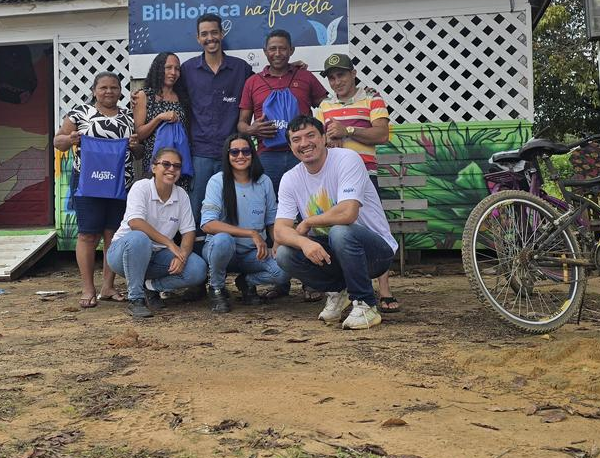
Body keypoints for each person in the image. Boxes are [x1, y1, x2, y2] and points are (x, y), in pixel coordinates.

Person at [273, 115, 398, 331]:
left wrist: (308, 222)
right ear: (290, 146)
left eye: (310, 135)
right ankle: (339, 292)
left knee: (340, 231)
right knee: (285, 254)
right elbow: (280, 231)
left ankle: (366, 303)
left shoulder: (346, 159)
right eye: (296, 139)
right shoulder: (290, 178)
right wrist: (304, 243)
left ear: (323, 138)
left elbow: (348, 213)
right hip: (336, 252)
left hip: (375, 252)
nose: (304, 144)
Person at [314, 53, 397, 312]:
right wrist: (328, 139)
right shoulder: (324, 106)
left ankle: (384, 290)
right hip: (335, 177)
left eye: (341, 75)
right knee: (341, 231)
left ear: (353, 73)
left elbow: (382, 134)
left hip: (365, 175)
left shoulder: (372, 98)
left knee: (374, 229)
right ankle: (348, 289)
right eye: (332, 77)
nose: (337, 81)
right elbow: (319, 138)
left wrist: (347, 131)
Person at [53, 72, 141, 308]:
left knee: (113, 235)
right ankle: (87, 288)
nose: (109, 91)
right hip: (87, 183)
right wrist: (71, 138)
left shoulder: (128, 117)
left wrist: (135, 145)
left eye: (114, 87)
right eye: (103, 87)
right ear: (94, 90)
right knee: (87, 235)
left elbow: (139, 152)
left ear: (120, 91)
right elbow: (57, 142)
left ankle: (108, 286)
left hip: (121, 184)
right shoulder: (79, 114)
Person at [106, 147, 208, 318]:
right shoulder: (141, 187)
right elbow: (135, 222)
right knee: (140, 238)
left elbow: (189, 232)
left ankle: (151, 286)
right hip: (123, 253)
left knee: (198, 269)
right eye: (166, 164)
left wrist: (182, 255)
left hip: (158, 255)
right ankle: (135, 299)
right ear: (154, 167)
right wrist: (170, 243)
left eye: (176, 166)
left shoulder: (181, 194)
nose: (171, 169)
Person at [200, 135, 289, 313]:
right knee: (223, 240)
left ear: (252, 154)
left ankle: (246, 282)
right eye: (234, 151)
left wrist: (277, 243)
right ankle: (216, 287)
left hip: (253, 254)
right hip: (223, 251)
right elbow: (208, 224)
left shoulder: (264, 181)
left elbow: (272, 220)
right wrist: (251, 233)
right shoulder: (217, 181)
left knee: (284, 270)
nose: (240, 156)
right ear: (227, 155)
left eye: (246, 151)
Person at [180, 13, 253, 227]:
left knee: (232, 206)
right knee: (196, 208)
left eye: (214, 32)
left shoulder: (241, 68)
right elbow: (167, 91)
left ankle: (229, 252)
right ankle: (196, 256)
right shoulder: (187, 69)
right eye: (204, 34)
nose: (210, 38)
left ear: (222, 34)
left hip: (231, 153)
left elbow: (263, 85)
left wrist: (290, 68)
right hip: (200, 153)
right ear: (198, 39)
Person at [237, 29, 328, 195]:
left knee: (309, 201)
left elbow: (328, 108)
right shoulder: (252, 82)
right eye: (272, 49)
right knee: (269, 205)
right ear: (265, 52)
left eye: (283, 48)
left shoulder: (305, 77)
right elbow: (241, 124)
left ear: (291, 50)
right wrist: (252, 129)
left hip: (304, 153)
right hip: (267, 156)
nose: (277, 53)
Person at [132, 51, 191, 192]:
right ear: (158, 69)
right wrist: (159, 118)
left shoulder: (182, 97)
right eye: (168, 67)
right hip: (155, 165)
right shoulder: (144, 96)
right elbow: (139, 134)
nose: (173, 72)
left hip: (178, 166)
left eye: (177, 69)